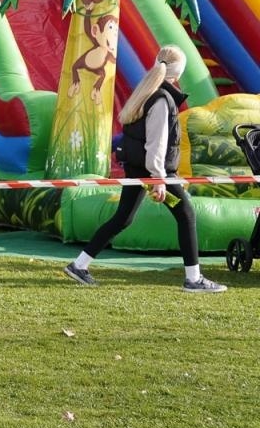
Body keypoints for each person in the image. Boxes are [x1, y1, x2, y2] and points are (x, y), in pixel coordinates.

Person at [63, 46, 226, 293]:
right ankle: (193, 279)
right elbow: (156, 144)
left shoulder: (147, 91)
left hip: (140, 170)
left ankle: (79, 265)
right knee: (187, 214)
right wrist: (158, 179)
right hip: (154, 172)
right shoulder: (163, 99)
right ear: (178, 73)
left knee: (124, 218)